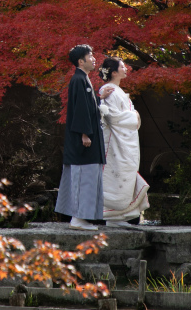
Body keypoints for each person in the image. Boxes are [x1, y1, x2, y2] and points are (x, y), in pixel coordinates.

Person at [55, 44, 114, 231]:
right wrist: (85, 133)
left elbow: (87, 105)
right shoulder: (78, 79)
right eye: (90, 56)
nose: (94, 58)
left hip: (87, 139)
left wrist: (99, 96)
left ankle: (82, 218)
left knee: (88, 178)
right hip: (83, 141)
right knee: (83, 178)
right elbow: (80, 109)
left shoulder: (84, 80)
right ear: (81, 61)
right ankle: (78, 219)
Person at [97, 57, 150, 226]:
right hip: (115, 142)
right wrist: (134, 116)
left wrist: (133, 116)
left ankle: (124, 215)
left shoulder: (118, 90)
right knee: (115, 175)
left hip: (124, 141)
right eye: (122, 66)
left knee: (125, 174)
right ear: (113, 72)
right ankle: (112, 216)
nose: (126, 68)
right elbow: (112, 117)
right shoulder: (108, 89)